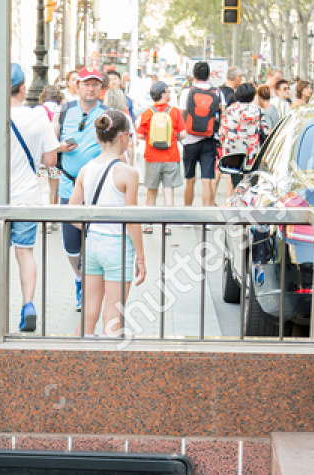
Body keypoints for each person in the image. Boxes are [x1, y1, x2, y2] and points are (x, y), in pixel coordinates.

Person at [68, 110, 146, 337]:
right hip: (117, 247)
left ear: (97, 137)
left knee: (88, 314)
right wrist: (140, 257)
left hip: (92, 244)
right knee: (113, 317)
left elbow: (72, 213)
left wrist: (94, 227)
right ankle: (107, 370)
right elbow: (132, 221)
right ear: (123, 137)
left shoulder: (85, 170)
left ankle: (76, 364)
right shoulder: (128, 173)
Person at [51, 66, 111, 310]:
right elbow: (49, 144)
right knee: (71, 245)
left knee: (98, 243)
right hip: (69, 186)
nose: (91, 88)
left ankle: (90, 288)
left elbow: (119, 147)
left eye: (95, 84)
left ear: (100, 88)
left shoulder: (107, 114)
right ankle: (79, 278)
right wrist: (60, 147)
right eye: (87, 83)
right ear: (77, 85)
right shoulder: (65, 111)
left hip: (99, 189)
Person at [9, 63, 61, 332]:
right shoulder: (38, 117)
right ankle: (27, 304)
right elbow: (50, 159)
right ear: (22, 89)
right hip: (27, 197)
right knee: (25, 253)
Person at [181, 60, 225, 208]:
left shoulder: (187, 92)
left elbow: (182, 115)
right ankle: (207, 217)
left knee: (190, 179)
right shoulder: (217, 92)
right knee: (207, 180)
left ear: (194, 75)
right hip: (209, 140)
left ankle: (188, 214)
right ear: (209, 75)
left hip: (189, 140)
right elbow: (222, 115)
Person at [136, 80, 184, 216]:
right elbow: (184, 134)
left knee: (151, 191)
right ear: (163, 94)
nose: (170, 94)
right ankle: (167, 224)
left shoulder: (147, 113)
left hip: (152, 157)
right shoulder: (174, 112)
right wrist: (173, 135)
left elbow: (139, 135)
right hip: (171, 157)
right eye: (168, 92)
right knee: (168, 191)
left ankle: (149, 223)